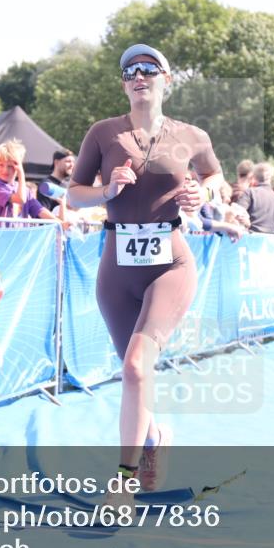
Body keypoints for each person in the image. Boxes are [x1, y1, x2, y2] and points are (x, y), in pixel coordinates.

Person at [66, 44, 223, 507]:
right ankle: (155, 435)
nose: (139, 75)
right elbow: (74, 196)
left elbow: (217, 178)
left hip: (170, 266)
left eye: (149, 69)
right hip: (116, 271)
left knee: (136, 367)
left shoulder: (192, 135)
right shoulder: (103, 133)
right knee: (133, 375)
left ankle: (122, 483)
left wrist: (202, 193)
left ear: (167, 79)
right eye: (130, 71)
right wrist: (107, 190)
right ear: (123, 84)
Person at [0, 139, 61, 224]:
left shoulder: (25, 190)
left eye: (10, 166)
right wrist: (21, 173)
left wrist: (60, 222)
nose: (5, 170)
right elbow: (20, 199)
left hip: (19, 235)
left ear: (18, 165)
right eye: (1, 165)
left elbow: (39, 210)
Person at [235, 162, 274, 235]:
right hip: (269, 243)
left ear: (254, 177)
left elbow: (237, 212)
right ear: (271, 178)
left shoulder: (250, 193)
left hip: (248, 241)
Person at [37, 149, 75, 218]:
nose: (72, 165)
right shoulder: (46, 185)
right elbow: (42, 211)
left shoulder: (68, 185)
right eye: (68, 161)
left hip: (66, 227)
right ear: (56, 162)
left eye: (73, 162)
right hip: (50, 227)